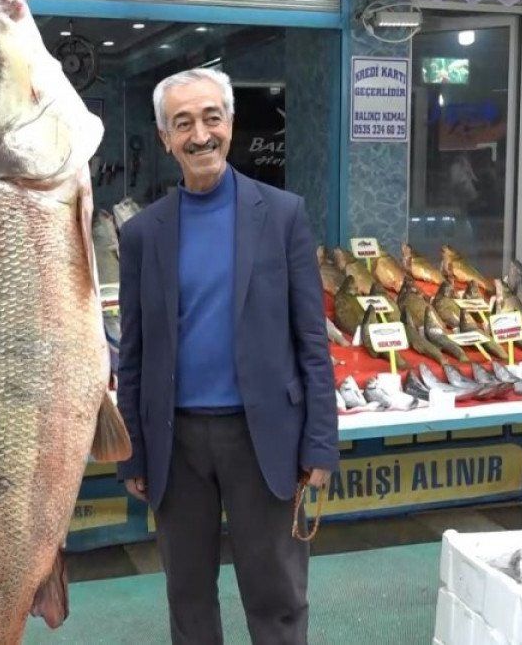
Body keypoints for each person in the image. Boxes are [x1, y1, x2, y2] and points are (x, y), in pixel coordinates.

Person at [116, 68, 339, 644]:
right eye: (183, 124)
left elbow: (311, 339)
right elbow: (133, 352)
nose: (200, 135)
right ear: (165, 138)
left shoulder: (283, 215)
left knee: (277, 597)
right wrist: (132, 450)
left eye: (211, 118)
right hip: (176, 445)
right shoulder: (142, 234)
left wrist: (320, 441)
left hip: (263, 437)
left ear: (231, 124)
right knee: (188, 597)